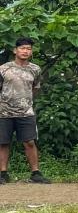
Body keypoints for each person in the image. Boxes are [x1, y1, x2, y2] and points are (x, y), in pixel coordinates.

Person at [0, 38, 46, 184]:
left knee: (30, 142)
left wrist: (26, 102)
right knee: (3, 142)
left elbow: (35, 88)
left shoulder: (35, 69)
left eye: (29, 49)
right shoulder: (3, 69)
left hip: (26, 112)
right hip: (4, 112)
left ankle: (35, 173)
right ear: (15, 50)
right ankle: (3, 173)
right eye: (22, 48)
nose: (26, 51)